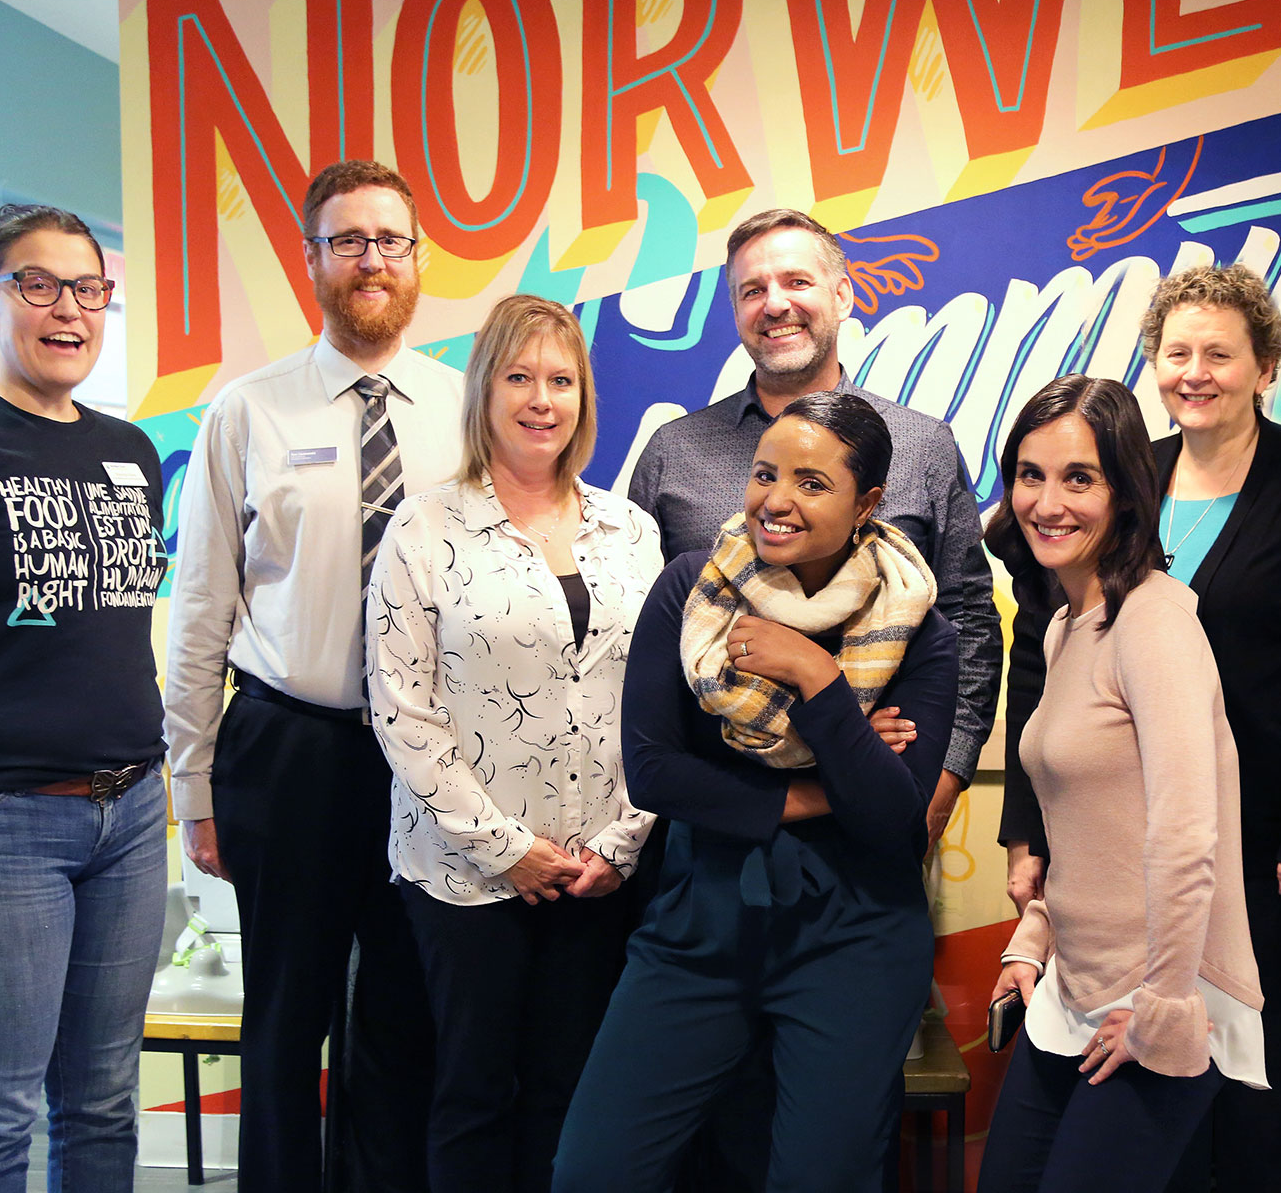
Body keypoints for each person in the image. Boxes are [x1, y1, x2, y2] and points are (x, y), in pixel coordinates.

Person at [999, 264, 1281, 1193]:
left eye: (1219, 353)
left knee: (1252, 1108)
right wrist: (1031, 832)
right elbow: (1047, 669)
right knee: (1145, 1143)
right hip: (1133, 840)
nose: (1194, 372)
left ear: (1265, 367)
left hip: (1263, 841)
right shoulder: (1130, 478)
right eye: (1176, 353)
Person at [551, 391, 960, 1192]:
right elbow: (655, 770)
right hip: (700, 927)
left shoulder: (923, 633)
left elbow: (893, 822)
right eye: (766, 474)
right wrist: (821, 788)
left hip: (856, 941)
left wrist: (816, 677)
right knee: (593, 1171)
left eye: (813, 483)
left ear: (867, 503)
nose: (777, 499)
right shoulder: (691, 592)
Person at [164, 160, 458, 1191]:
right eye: (347, 241)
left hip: (426, 758)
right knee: (285, 1021)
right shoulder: (247, 410)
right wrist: (193, 787)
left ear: (417, 259)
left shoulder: (464, 410)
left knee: (404, 1018)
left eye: (389, 240)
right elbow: (201, 608)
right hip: (288, 746)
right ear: (311, 259)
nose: (371, 260)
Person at [367, 294, 662, 1193]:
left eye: (561, 381)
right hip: (466, 877)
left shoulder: (631, 531)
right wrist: (506, 848)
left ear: (584, 398)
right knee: (474, 1096)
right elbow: (402, 711)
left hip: (597, 871)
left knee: (572, 1099)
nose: (542, 399)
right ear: (484, 393)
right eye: (519, 377)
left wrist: (620, 844)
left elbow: (662, 700)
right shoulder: (423, 529)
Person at [628, 207, 999, 854]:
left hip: (875, 828)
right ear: (735, 310)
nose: (775, 304)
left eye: (796, 281)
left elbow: (967, 618)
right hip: (713, 830)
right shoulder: (673, 451)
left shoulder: (921, 446)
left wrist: (938, 784)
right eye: (752, 289)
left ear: (842, 294)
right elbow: (640, 643)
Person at [977, 375, 1265, 1193]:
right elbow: (1089, 829)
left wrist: (1163, 1006)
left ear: (1126, 492)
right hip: (1075, 987)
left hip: (1163, 996)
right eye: (1030, 475)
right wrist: (1034, 939)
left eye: (1079, 478)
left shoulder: (1156, 620)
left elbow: (1187, 834)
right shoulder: (1068, 624)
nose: (1048, 503)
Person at [0, 205, 167, 1190]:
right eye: (37, 286)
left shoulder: (131, 449)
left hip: (132, 814)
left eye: (88, 289)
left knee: (103, 1100)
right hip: (1, 823)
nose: (69, 310)